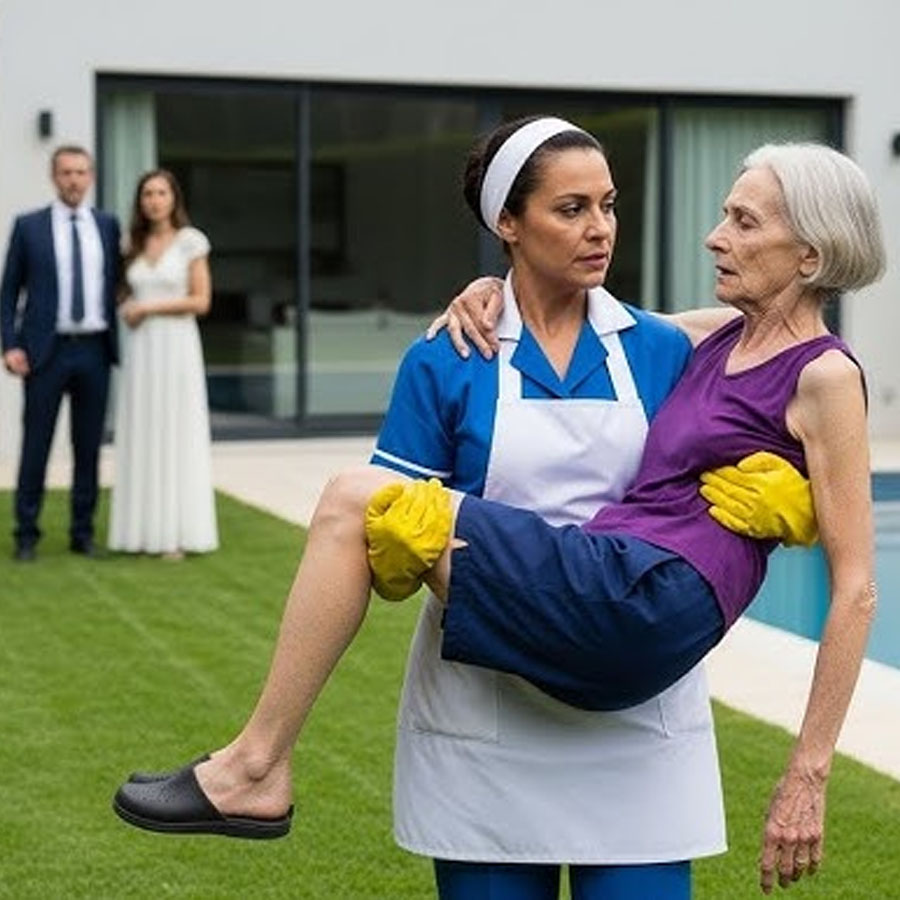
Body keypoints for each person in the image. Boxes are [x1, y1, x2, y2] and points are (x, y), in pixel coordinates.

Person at [112, 124, 877, 895]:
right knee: (364, 505)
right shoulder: (450, 356)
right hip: (487, 716)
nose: (601, 228)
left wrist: (803, 502)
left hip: (634, 720)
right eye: (572, 209)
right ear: (507, 222)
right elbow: (380, 559)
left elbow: (784, 365)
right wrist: (492, 294)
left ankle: (256, 763)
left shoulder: (660, 349)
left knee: (349, 498)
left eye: (609, 205)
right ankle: (256, 763)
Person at [1, 145, 121, 561]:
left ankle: (82, 534)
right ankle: (26, 535)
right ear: (54, 177)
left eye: (81, 172)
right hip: (44, 352)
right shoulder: (29, 226)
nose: (74, 179)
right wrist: (10, 345)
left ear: (91, 177)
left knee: (88, 448)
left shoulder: (107, 225)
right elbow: (8, 292)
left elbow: (118, 283)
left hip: (94, 351)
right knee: (36, 444)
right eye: (67, 172)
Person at [107, 169, 217, 557]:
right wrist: (128, 308)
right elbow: (124, 293)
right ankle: (140, 533)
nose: (154, 200)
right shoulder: (132, 244)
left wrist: (148, 308)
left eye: (161, 193)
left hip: (177, 348)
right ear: (140, 201)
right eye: (147, 194)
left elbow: (201, 301)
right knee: (144, 433)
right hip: (142, 352)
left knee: (175, 432)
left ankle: (176, 534)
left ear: (174, 198)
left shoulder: (190, 242)